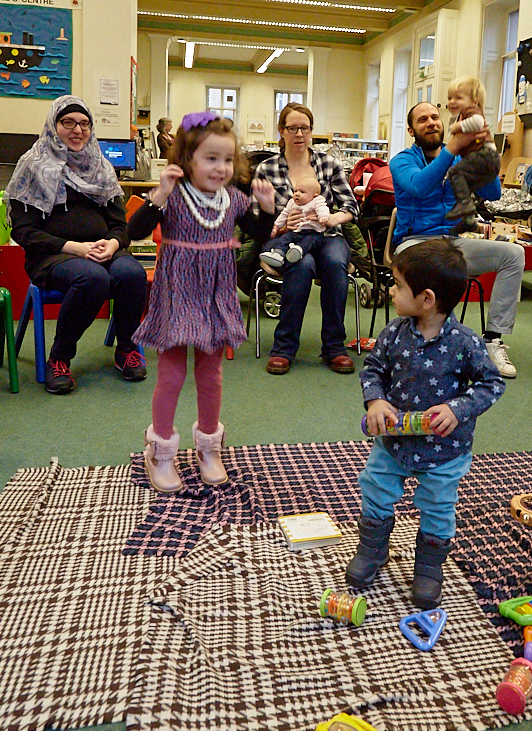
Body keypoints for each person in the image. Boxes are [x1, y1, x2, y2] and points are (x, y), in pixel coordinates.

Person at [345, 239, 505, 609]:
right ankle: (372, 549)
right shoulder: (393, 333)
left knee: (437, 504)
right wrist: (376, 400)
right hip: (393, 442)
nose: (391, 290)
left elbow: (491, 384)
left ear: (427, 298)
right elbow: (373, 370)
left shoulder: (465, 342)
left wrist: (458, 408)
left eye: (398, 285)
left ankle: (429, 568)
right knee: (376, 487)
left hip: (445, 451)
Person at [127, 112, 275, 493]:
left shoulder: (235, 198)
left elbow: (260, 234)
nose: (221, 168)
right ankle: (159, 450)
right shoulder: (174, 195)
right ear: (188, 158)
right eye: (211, 158)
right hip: (177, 289)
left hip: (216, 291)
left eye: (227, 160)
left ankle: (209, 445)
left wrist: (267, 208)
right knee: (172, 373)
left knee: (211, 374)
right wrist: (157, 195)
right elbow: (135, 231)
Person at [6, 94, 148, 395]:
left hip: (101, 250)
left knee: (132, 273)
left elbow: (120, 225)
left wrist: (112, 243)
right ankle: (60, 358)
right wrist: (74, 247)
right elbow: (23, 232)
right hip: (52, 256)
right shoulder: (31, 167)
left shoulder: (101, 168)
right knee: (92, 278)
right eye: (68, 122)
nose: (77, 130)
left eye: (84, 123)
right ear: (53, 125)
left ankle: (126, 350)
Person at [390, 101, 526, 379]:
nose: (431, 123)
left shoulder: (458, 159)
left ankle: (493, 338)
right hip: (413, 243)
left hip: (452, 241)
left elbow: (493, 193)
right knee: (437, 267)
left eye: (435, 117)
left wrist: (483, 151)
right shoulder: (401, 161)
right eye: (422, 120)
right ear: (411, 129)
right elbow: (419, 186)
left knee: (513, 255)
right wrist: (452, 148)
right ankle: (423, 342)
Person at [252, 102, 360, 375]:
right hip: (287, 239)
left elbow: (351, 206)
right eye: (292, 128)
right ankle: (284, 348)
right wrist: (278, 220)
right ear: (281, 131)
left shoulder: (329, 164)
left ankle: (334, 347)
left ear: (311, 131)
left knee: (335, 263)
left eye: (305, 128)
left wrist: (334, 218)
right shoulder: (266, 168)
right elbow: (255, 218)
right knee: (300, 266)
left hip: (328, 234)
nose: (299, 134)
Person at [444, 76, 501, 227]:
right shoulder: (461, 117)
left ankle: (466, 207)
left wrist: (458, 128)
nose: (452, 102)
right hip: (485, 158)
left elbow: (477, 122)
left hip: (485, 155)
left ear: (475, 100)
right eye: (449, 98)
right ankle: (468, 219)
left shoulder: (472, 111)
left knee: (455, 173)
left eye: (458, 97)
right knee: (464, 186)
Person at [259, 175, 331, 268]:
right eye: (295, 191)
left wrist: (323, 216)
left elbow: (322, 208)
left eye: (302, 192)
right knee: (285, 238)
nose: (297, 194)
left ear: (314, 196)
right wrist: (276, 227)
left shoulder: (317, 201)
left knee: (309, 241)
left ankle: (299, 251)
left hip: (313, 232)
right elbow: (284, 214)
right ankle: (278, 253)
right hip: (296, 232)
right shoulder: (292, 203)